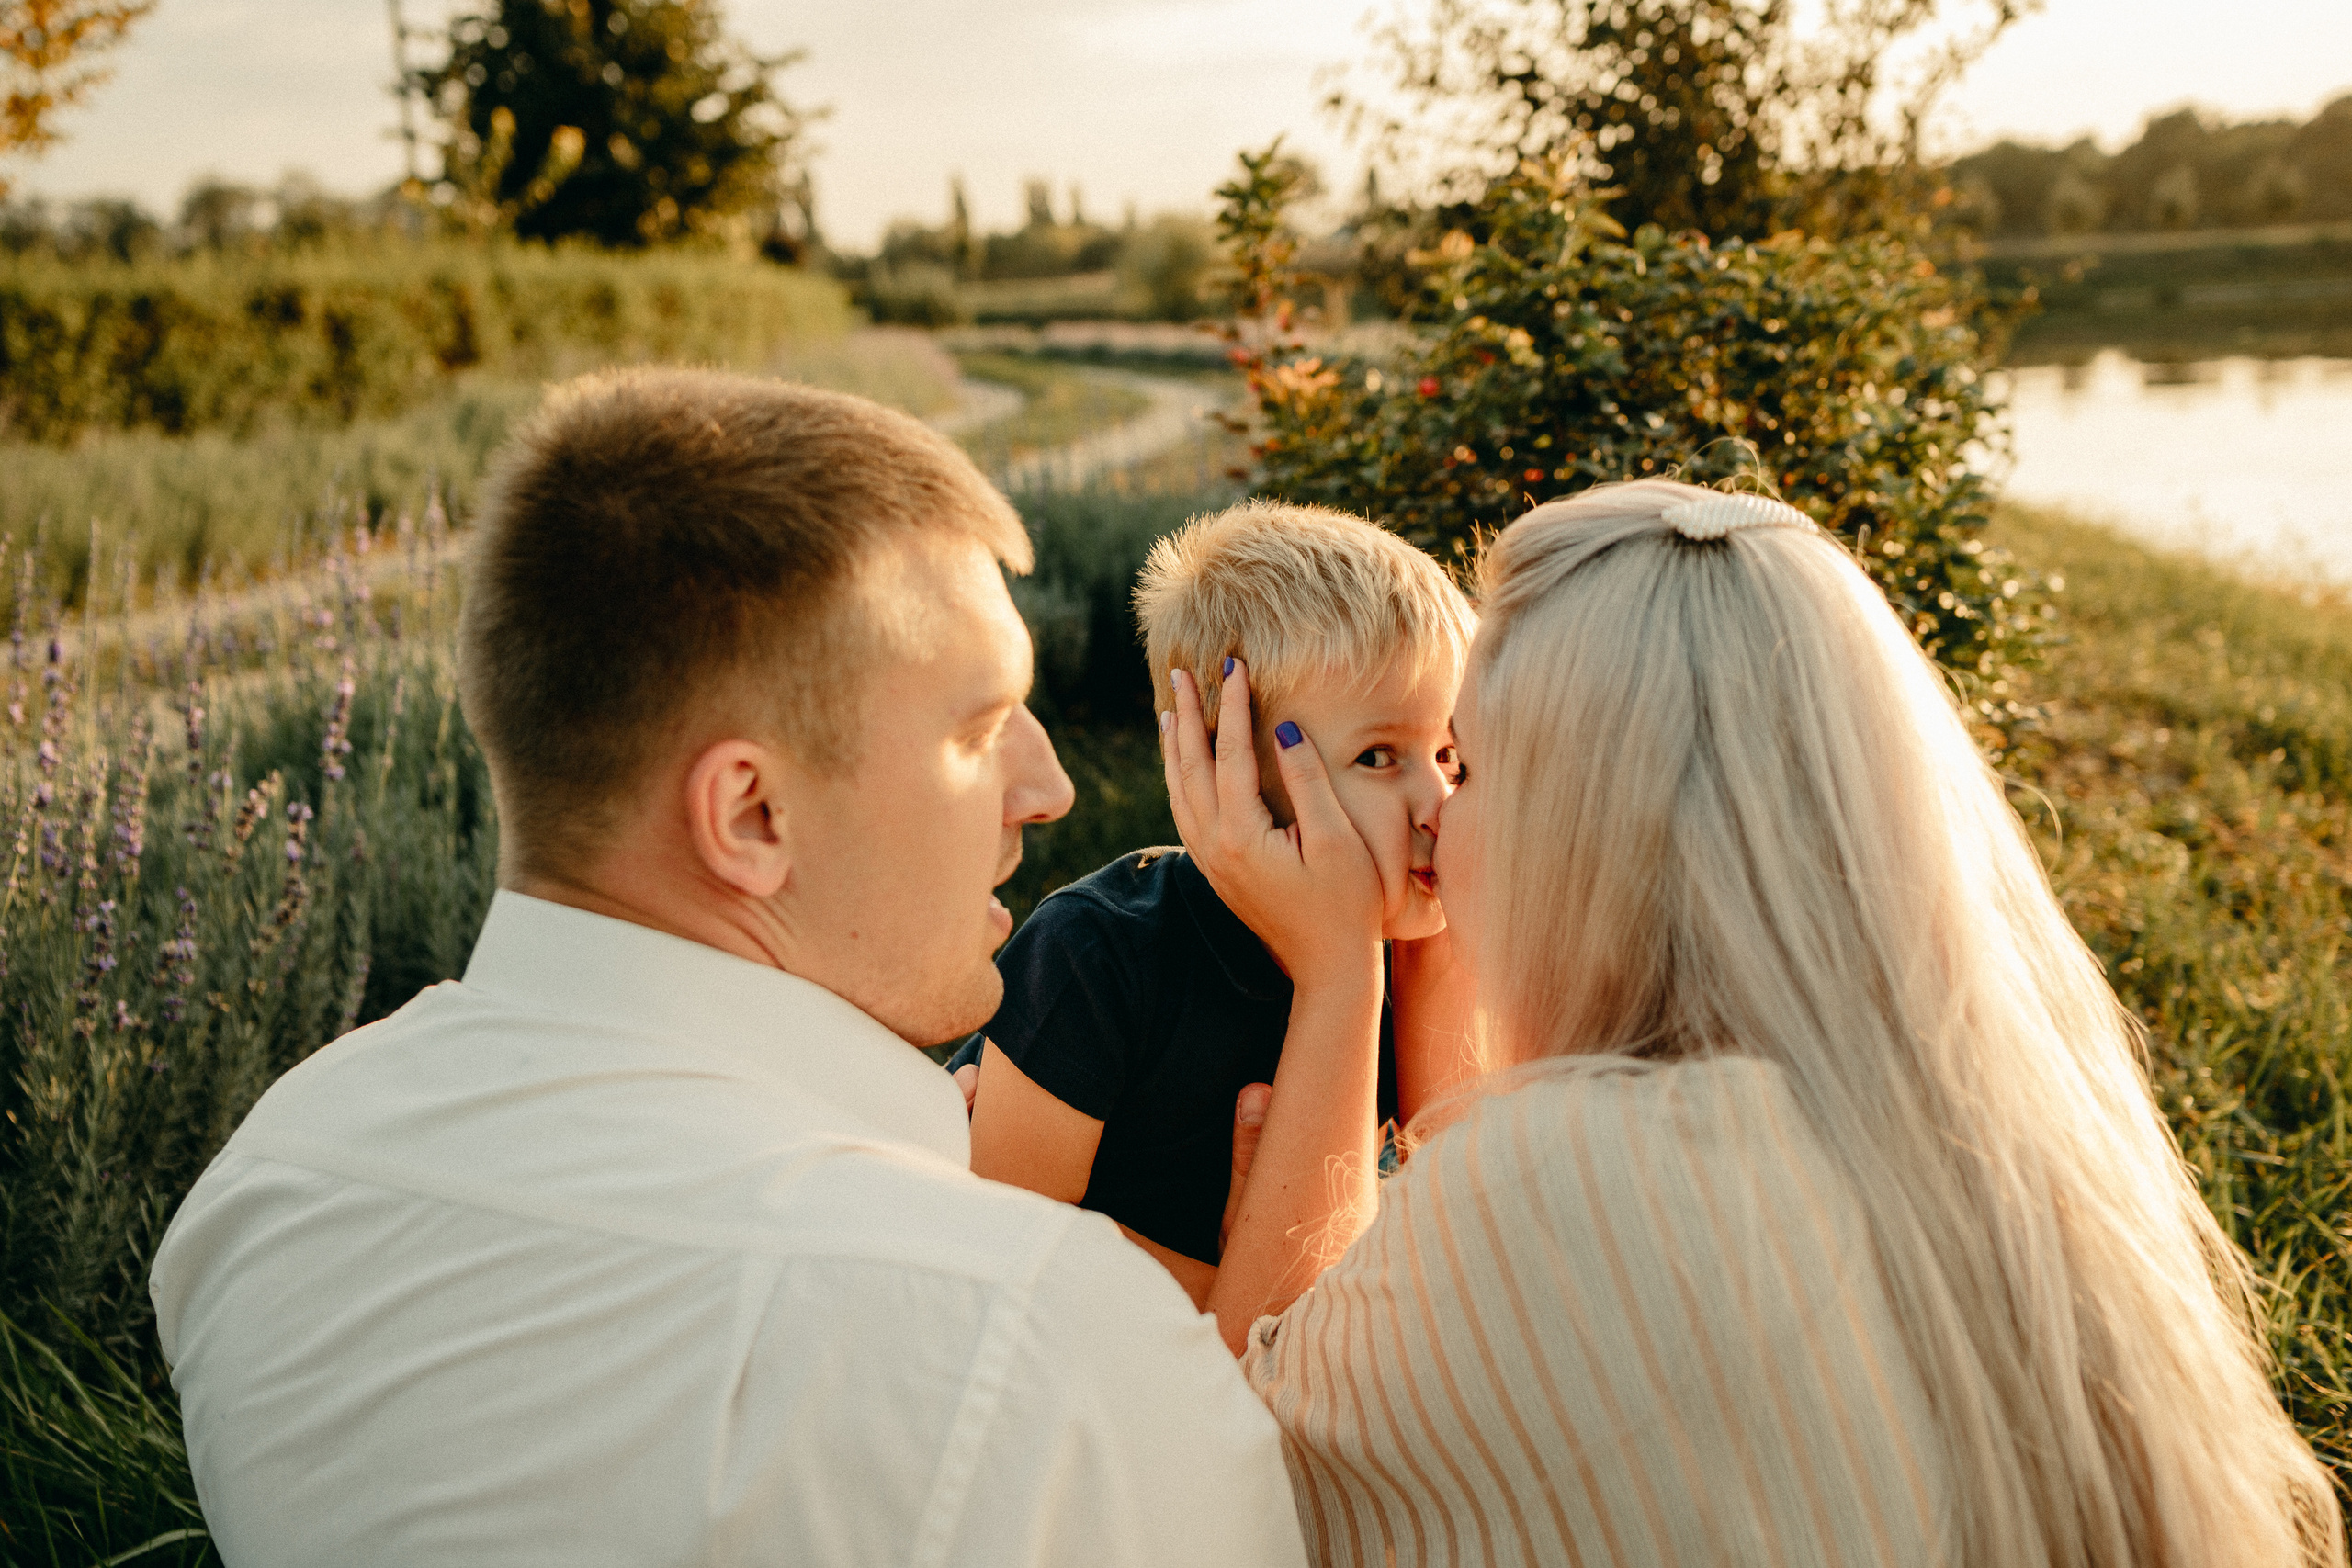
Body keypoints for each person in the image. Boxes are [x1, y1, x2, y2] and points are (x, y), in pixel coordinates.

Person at [147, 368, 1310, 1567]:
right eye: (977, 727)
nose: (1048, 786)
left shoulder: (266, 1186)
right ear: (751, 813)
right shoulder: (1030, 1341)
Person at [1172, 481, 2344, 1566]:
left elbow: (1214, 1476)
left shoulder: (1563, 1179)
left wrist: (1338, 980)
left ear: (1585, 821)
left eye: (1466, 766)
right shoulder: (1984, 1116)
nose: (1434, 823)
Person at [956, 501, 1478, 1308]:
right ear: (1226, 768)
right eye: (1379, 756)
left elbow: (1457, 1267)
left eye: (1450, 753)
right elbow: (1004, 1261)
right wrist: (1222, 1291)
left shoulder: (1418, 954)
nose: (1438, 800)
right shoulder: (1098, 957)